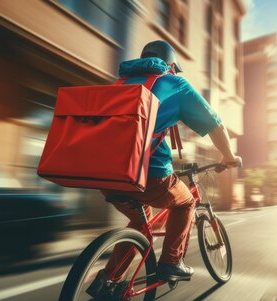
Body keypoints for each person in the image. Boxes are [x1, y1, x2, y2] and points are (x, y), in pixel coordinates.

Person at [101, 40, 242, 282]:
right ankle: (171, 262)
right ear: (171, 66)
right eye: (175, 69)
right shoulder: (173, 83)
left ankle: (107, 279)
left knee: (140, 221)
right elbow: (215, 124)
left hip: (105, 173)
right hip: (147, 175)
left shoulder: (121, 83)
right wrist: (228, 157)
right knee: (185, 203)